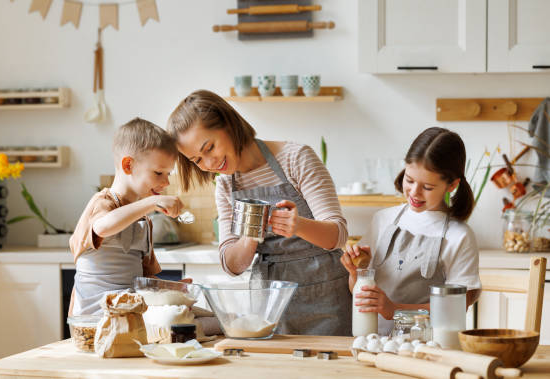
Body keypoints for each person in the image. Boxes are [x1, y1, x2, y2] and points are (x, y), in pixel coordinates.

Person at [167, 90, 351, 336]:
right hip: (270, 302)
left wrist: (298, 226)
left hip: (326, 296)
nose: (209, 164)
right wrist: (250, 235)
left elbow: (337, 235)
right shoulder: (225, 185)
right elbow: (231, 265)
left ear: (229, 124)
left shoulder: (296, 158)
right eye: (197, 160)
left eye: (209, 148)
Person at [341, 127, 481, 335]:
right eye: (409, 179)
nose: (414, 192)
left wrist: (394, 309)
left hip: (426, 349)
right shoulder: (383, 219)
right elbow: (361, 294)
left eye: (428, 187)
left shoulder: (459, 236)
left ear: (452, 185)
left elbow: (455, 309)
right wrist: (356, 275)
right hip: (373, 342)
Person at [69, 118, 185, 316]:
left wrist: (171, 289)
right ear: (128, 165)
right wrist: (151, 203)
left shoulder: (142, 220)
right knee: (176, 320)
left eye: (168, 174)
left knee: (195, 316)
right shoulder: (102, 202)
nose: (165, 182)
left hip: (128, 311)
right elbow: (103, 227)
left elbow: (142, 280)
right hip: (95, 317)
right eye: (158, 173)